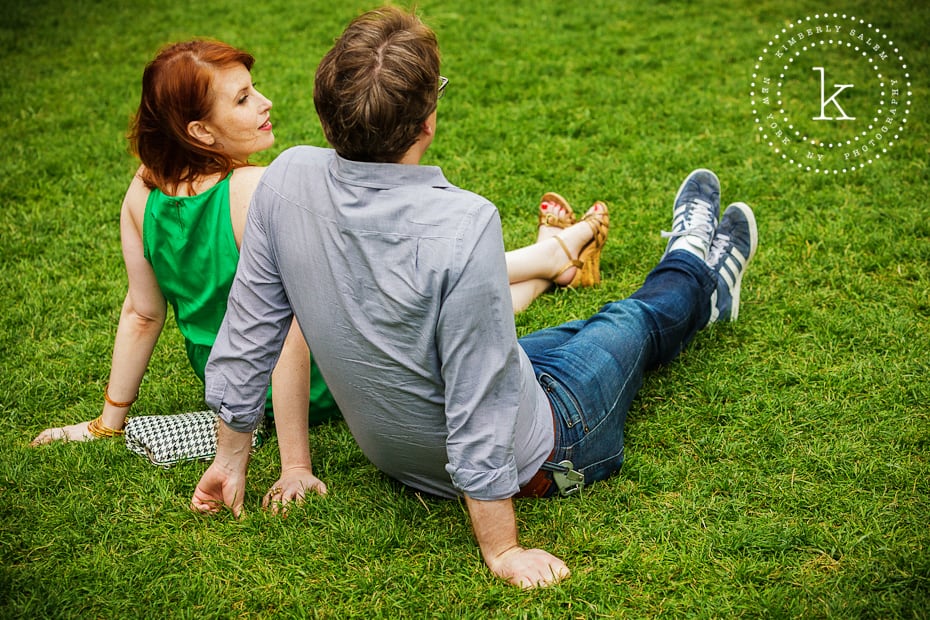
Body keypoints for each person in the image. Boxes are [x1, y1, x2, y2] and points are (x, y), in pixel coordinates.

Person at [189, 7, 758, 589]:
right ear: (427, 120)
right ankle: (698, 267)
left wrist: (228, 461)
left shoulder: (284, 179)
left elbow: (249, 331)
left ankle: (697, 294)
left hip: (403, 450)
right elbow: (480, 401)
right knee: (630, 320)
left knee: (585, 328)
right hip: (544, 445)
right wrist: (502, 549)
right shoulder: (464, 222)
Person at [29, 40, 606, 481]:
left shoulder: (141, 193)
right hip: (319, 379)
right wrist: (294, 466)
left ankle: (552, 263)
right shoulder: (255, 189)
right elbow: (284, 333)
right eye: (242, 98)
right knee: (423, 291)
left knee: (427, 288)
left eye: (253, 89)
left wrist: (110, 420)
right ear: (200, 130)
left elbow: (141, 314)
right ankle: (555, 251)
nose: (265, 102)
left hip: (230, 383)